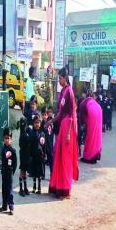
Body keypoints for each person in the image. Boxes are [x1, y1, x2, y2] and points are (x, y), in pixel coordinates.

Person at [45, 68, 79, 199]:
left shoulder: (69, 91)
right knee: (58, 157)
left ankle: (65, 188)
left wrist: (69, 134)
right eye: (58, 78)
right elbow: (60, 113)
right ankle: (57, 186)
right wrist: (50, 121)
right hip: (62, 125)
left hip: (68, 127)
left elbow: (71, 114)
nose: (59, 80)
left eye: (60, 78)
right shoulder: (63, 91)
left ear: (65, 78)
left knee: (65, 158)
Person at [79, 91, 102, 164]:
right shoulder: (93, 102)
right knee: (96, 135)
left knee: (90, 136)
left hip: (92, 115)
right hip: (98, 112)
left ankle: (88, 157)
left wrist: (83, 125)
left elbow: (82, 118)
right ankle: (95, 156)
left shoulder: (82, 104)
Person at [0, 128, 17, 215]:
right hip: (4, 172)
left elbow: (15, 163)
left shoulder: (13, 150)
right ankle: (4, 205)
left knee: (9, 190)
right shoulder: (3, 149)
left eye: (8, 138)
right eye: (5, 138)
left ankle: (11, 207)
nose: (7, 140)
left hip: (9, 173)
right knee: (4, 189)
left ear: (11, 139)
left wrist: (12, 171)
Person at [29, 116, 46, 194]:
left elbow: (44, 145)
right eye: (35, 123)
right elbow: (29, 145)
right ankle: (34, 186)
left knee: (39, 172)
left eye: (38, 123)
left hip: (40, 156)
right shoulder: (31, 133)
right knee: (34, 172)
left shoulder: (42, 133)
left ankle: (39, 187)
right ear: (33, 123)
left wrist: (44, 154)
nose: (37, 124)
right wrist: (30, 155)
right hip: (33, 155)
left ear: (40, 124)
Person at [17, 115, 30, 197]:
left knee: (24, 171)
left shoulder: (25, 133)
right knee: (22, 170)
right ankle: (21, 188)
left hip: (25, 153)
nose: (24, 126)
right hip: (23, 154)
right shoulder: (23, 134)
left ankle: (25, 187)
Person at [41, 106, 54, 179]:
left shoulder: (49, 123)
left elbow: (51, 134)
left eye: (46, 115)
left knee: (50, 159)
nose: (44, 116)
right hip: (43, 145)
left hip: (49, 144)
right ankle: (43, 174)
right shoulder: (41, 123)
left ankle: (52, 174)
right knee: (42, 159)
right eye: (43, 115)